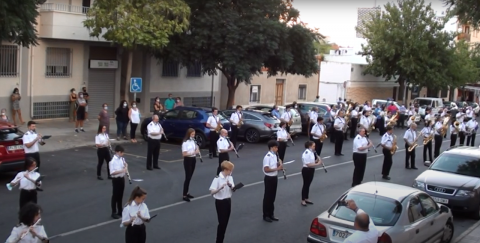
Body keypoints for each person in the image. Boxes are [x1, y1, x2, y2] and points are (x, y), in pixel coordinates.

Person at [209, 161, 236, 243]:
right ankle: (219, 241)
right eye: (230, 170)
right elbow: (212, 192)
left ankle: (221, 240)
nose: (231, 172)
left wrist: (231, 186)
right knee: (222, 223)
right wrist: (220, 188)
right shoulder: (217, 178)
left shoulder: (230, 177)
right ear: (225, 170)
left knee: (225, 223)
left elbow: (233, 189)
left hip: (228, 201)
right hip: (220, 203)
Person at [262, 140, 282, 223]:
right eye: (275, 147)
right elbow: (266, 169)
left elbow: (273, 166)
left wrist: (279, 164)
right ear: (271, 148)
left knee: (272, 197)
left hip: (274, 177)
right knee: (268, 197)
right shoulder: (268, 156)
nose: (277, 149)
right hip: (269, 178)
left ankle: (271, 214)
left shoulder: (275, 155)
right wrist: (277, 169)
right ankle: (266, 215)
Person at [301, 141, 323, 206]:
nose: (314, 147)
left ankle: (306, 198)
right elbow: (308, 164)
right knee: (305, 185)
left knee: (308, 185)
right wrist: (318, 163)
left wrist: (317, 160)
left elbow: (312, 161)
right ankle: (303, 200)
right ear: (310, 146)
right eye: (313, 146)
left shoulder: (311, 152)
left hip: (311, 169)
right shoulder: (307, 153)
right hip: (307, 170)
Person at [182, 128, 200, 202]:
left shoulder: (193, 141)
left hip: (193, 159)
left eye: (194, 134)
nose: (193, 136)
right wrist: (193, 152)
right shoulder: (185, 143)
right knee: (188, 177)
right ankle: (184, 195)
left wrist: (197, 149)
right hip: (188, 160)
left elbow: (196, 148)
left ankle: (187, 192)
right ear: (189, 134)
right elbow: (184, 154)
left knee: (190, 176)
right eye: (192, 134)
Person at [109, 145, 127, 219]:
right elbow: (112, 172)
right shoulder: (112, 161)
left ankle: (120, 210)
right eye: (121, 152)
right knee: (115, 196)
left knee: (120, 195)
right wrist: (122, 170)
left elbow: (125, 165)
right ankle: (113, 212)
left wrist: (126, 166)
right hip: (116, 179)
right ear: (117, 152)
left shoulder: (122, 159)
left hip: (122, 179)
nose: (122, 154)